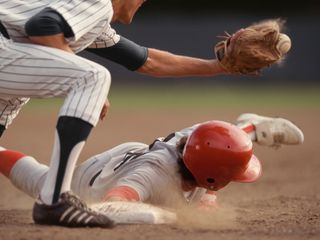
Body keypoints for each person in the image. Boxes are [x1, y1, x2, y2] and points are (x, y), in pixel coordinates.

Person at [0, 0, 244, 227]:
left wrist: (218, 66)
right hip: (5, 48)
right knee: (94, 77)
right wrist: (79, 76)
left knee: (86, 77)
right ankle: (54, 200)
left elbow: (147, 61)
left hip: (12, 52)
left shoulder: (94, 22)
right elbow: (42, 26)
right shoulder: (100, 3)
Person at [0, 113, 304, 219]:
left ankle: (249, 125)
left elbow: (218, 137)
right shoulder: (153, 178)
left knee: (216, 152)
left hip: (138, 154)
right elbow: (113, 202)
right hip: (91, 181)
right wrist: (166, 217)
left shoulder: (196, 142)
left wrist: (246, 131)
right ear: (212, 178)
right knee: (45, 183)